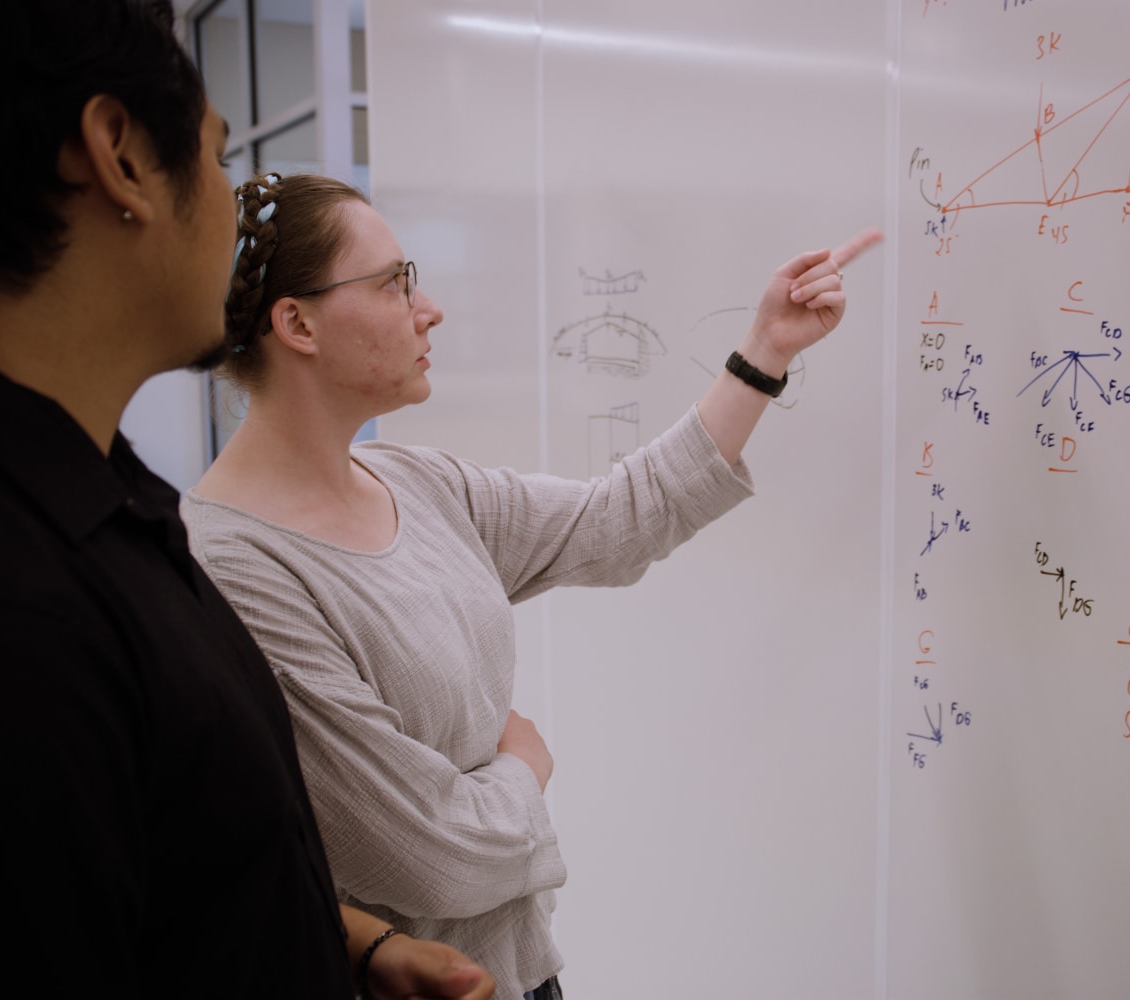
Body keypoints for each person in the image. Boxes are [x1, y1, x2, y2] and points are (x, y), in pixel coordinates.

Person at [0, 4, 495, 997]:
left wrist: (354, 944)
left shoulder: (89, 504)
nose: (233, 212)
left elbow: (167, 863)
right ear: (121, 155)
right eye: (220, 161)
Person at [180, 168, 882, 999]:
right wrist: (525, 767)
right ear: (295, 323)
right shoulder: (236, 567)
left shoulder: (410, 479)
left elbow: (616, 520)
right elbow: (432, 857)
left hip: (516, 975)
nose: (428, 307)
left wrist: (764, 351)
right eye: (396, 282)